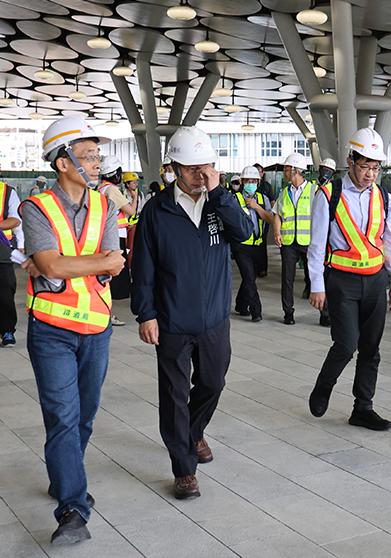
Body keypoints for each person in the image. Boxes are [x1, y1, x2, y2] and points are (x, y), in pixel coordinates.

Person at [131, 126, 252, 501]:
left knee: (213, 383)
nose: (202, 176)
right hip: (172, 320)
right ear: (174, 168)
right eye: (194, 169)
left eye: (209, 167)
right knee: (173, 394)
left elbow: (246, 233)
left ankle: (193, 431)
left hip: (214, 317)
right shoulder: (157, 210)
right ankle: (184, 469)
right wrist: (145, 314)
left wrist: (220, 193)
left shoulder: (220, 202)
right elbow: (144, 266)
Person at [20, 115, 125, 544]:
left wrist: (70, 264)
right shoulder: (36, 207)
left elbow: (116, 262)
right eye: (88, 155)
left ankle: (65, 475)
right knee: (62, 417)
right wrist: (90, 263)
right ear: (63, 163)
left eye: (98, 155)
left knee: (84, 416)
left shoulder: (107, 206)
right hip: (51, 330)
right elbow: (51, 266)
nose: (98, 162)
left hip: (97, 327)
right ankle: (73, 509)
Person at [307, 128, 391, 431]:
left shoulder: (383, 197)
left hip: (375, 280)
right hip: (342, 282)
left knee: (371, 348)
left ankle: (363, 408)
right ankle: (323, 386)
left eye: (376, 168)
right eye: (365, 166)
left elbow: (390, 240)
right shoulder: (329, 194)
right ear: (351, 161)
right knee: (346, 344)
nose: (370, 174)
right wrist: (317, 285)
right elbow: (317, 243)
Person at [274, 153, 326, 325]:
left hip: (309, 242)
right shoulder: (283, 193)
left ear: (295, 171)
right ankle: (288, 313)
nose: (284, 172)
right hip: (289, 242)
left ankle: (325, 313)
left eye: (286, 169)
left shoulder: (315, 191)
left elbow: (322, 215)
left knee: (316, 276)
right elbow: (277, 215)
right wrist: (277, 233)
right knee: (287, 280)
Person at [232, 165, 273, 322]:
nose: (250, 183)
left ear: (259, 181)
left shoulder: (264, 199)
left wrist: (257, 207)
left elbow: (270, 219)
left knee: (250, 277)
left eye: (253, 180)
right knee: (249, 278)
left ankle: (241, 304)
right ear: (242, 182)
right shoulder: (235, 199)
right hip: (241, 246)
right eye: (247, 180)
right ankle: (256, 311)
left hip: (258, 245)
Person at [98, 155, 135, 327]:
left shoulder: (101, 188)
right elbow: (131, 210)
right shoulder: (112, 190)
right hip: (116, 235)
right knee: (114, 276)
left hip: (106, 234)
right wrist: (134, 197)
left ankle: (104, 313)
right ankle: (107, 314)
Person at [0, 178, 21, 346]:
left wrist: (21, 244)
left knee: (6, 291)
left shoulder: (7, 192)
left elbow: (15, 219)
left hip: (2, 250)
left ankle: (7, 330)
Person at [253, 163, 275, 277]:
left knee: (262, 243)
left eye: (260, 171)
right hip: (250, 220)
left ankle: (262, 268)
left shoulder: (266, 186)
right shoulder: (246, 187)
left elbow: (272, 202)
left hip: (263, 220)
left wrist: (270, 215)